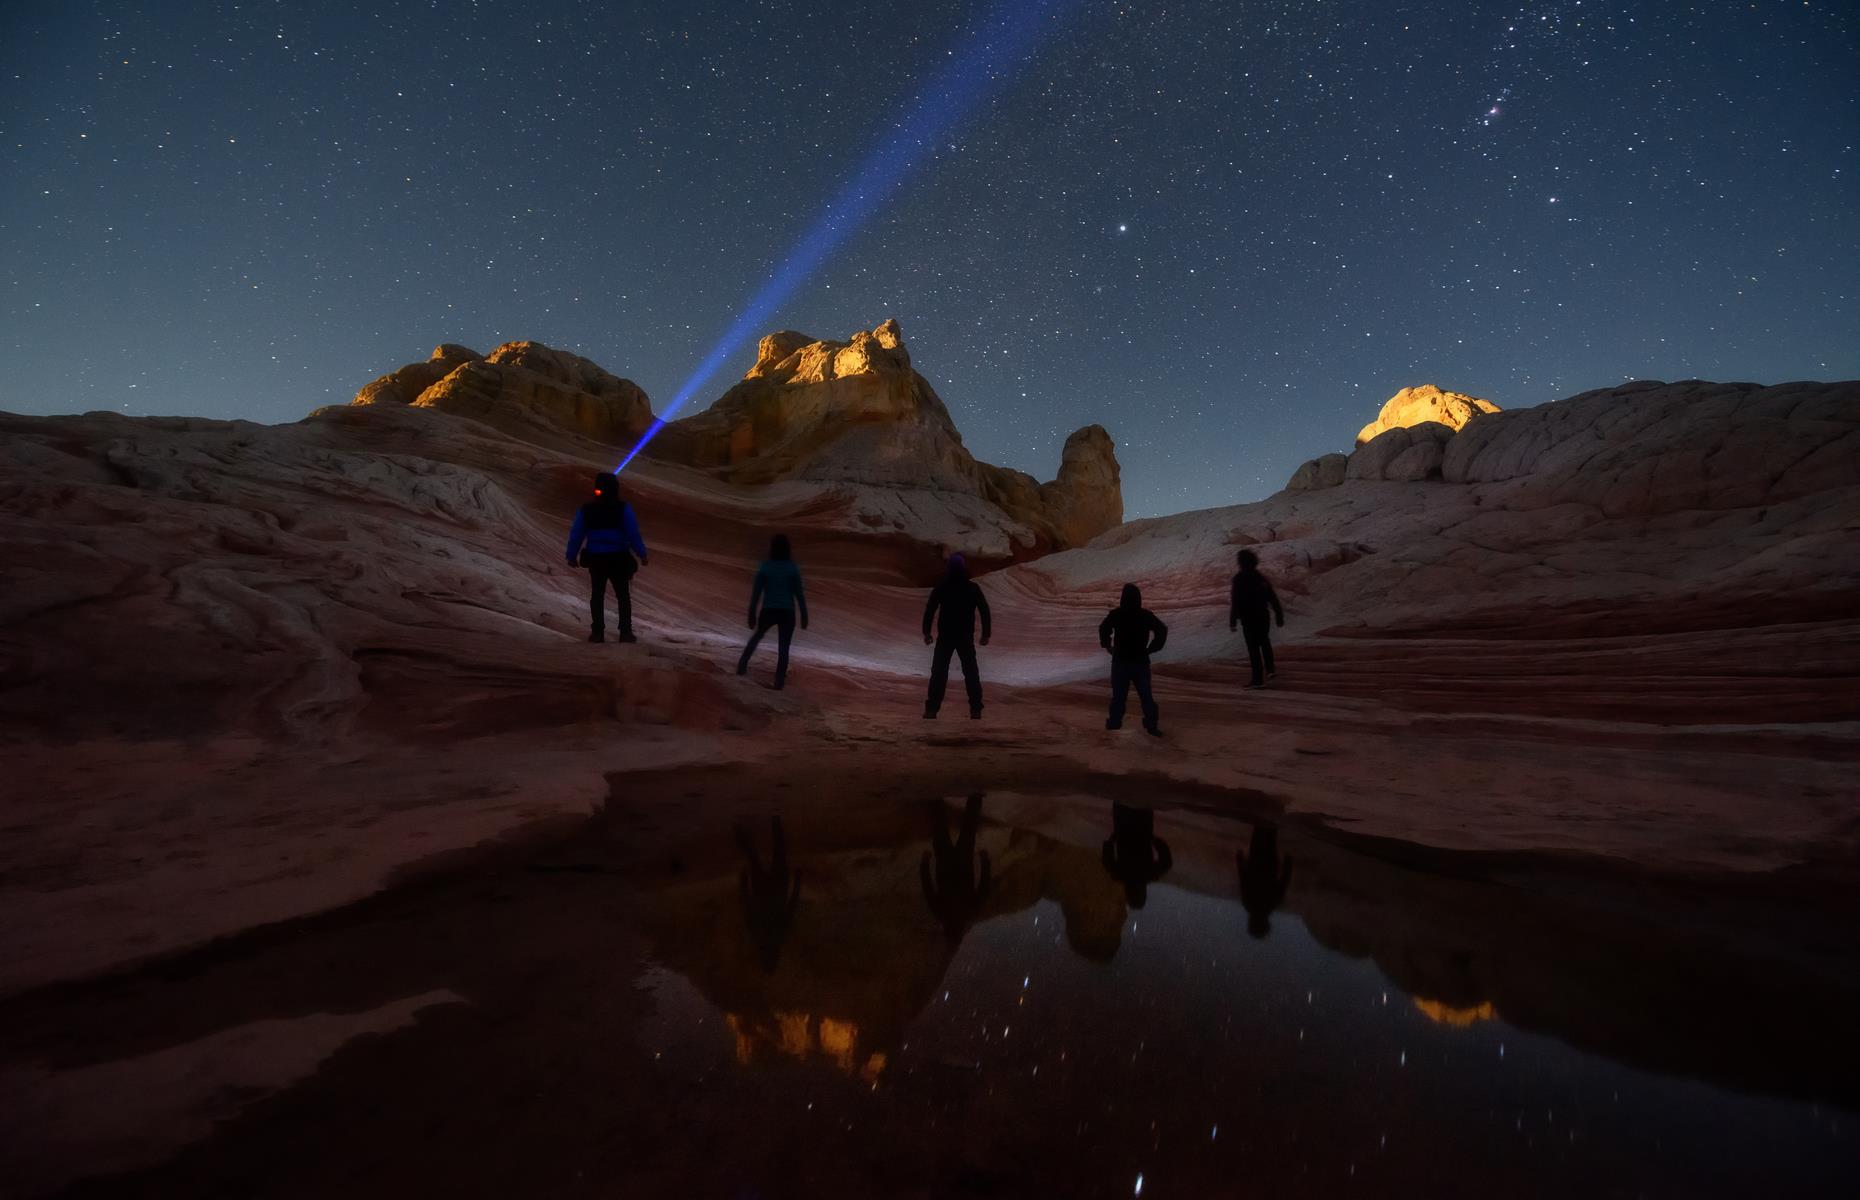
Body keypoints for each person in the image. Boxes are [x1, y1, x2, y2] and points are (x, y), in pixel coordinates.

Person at [565, 472, 648, 642]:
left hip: (596, 558)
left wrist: (571, 555)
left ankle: (597, 633)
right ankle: (625, 632)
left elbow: (577, 533)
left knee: (597, 595)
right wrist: (641, 553)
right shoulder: (623, 508)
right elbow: (633, 533)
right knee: (623, 596)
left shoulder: (586, 510)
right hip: (618, 557)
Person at [922, 553, 991, 719]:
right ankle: (975, 709)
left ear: (949, 568)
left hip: (945, 636)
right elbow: (984, 610)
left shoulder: (942, 587)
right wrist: (986, 634)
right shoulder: (972, 588)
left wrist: (927, 632)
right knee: (971, 672)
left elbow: (930, 610)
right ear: (963, 568)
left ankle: (932, 709)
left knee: (939, 672)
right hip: (964, 636)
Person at [737, 534, 808, 689]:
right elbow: (799, 594)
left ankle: (742, 665)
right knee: (784, 647)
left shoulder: (766, 567)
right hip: (787, 612)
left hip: (769, 609)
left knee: (757, 636)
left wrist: (751, 613)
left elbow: (757, 592)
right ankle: (779, 682)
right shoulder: (792, 568)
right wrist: (804, 614)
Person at [920, 794, 992, 946]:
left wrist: (985, 862)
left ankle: (975, 797)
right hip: (945, 866)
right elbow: (928, 888)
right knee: (940, 831)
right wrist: (925, 863)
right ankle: (935, 799)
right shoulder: (941, 914)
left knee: (968, 829)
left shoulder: (970, 913)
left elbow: (983, 888)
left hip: (962, 864)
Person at [1098, 583, 1168, 735]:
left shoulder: (1117, 614)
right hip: (1140, 662)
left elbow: (1103, 628)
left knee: (1118, 697)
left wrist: (1108, 646)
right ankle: (1151, 726)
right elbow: (1162, 630)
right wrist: (1152, 648)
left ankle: (1114, 725)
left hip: (1120, 662)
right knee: (1146, 697)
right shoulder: (1145, 615)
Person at [1229, 549, 1284, 688]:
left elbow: (1236, 600)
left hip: (1248, 618)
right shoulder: (1260, 577)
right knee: (1264, 641)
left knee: (1253, 648)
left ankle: (1257, 679)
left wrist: (1233, 620)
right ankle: (1270, 669)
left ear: (1241, 563)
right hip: (1262, 616)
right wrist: (1278, 614)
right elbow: (1272, 597)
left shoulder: (1239, 579)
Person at [1101, 802, 1173, 909]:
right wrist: (1110, 842)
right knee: (1126, 796)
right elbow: (1107, 861)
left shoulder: (1149, 875)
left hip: (1141, 826)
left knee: (1139, 797)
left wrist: (1155, 841)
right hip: (1125, 826)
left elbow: (1166, 863)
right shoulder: (1120, 874)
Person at [1236, 823, 1294, 939]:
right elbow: (1243, 879)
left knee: (1269, 835)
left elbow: (1284, 881)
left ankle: (1271, 814)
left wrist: (1288, 865)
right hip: (1258, 861)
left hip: (1268, 864)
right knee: (1261, 833)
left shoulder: (1271, 904)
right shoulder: (1249, 904)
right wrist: (1240, 861)